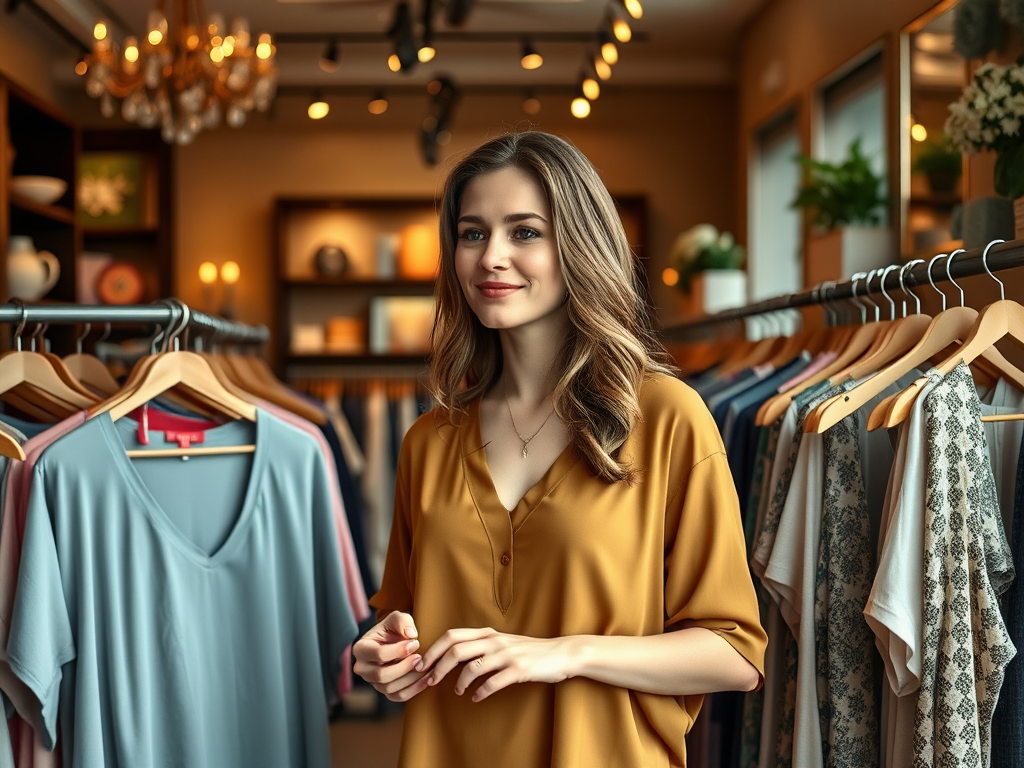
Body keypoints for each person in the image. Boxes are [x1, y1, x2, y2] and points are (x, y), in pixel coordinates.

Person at [353, 131, 767, 767]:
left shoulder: (667, 419)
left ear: (577, 244)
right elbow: (405, 619)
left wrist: (562, 652)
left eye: (524, 232)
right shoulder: (427, 442)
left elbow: (733, 656)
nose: (491, 256)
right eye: (471, 233)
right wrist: (380, 654)